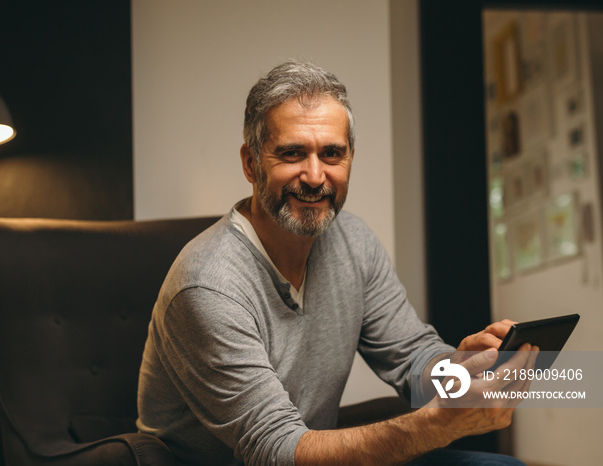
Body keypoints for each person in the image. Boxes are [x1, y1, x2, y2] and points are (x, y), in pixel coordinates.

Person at [136, 60, 537, 465]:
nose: (314, 176)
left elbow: (410, 356)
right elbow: (273, 449)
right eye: (292, 153)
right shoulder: (208, 285)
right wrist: (437, 423)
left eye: (332, 154)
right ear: (250, 163)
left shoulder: (353, 241)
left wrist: (461, 372)